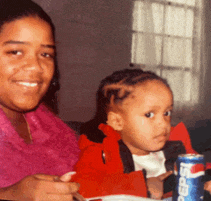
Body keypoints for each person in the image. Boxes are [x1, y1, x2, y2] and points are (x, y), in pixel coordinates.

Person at [0, 0, 80, 201]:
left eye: (46, 54)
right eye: (15, 52)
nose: (36, 67)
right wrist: (7, 195)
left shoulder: (54, 128)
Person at [72, 68, 211, 200]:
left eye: (166, 113)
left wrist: (207, 180)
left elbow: (200, 169)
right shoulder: (101, 149)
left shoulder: (176, 143)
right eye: (149, 114)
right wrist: (143, 185)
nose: (163, 123)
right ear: (117, 121)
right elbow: (80, 186)